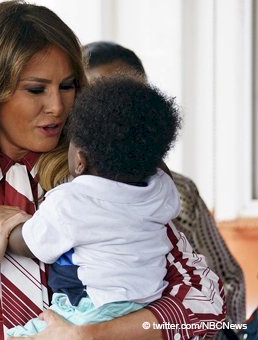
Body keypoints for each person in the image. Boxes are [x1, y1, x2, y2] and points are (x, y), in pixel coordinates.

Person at [0, 2, 225, 340]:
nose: (57, 107)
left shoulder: (106, 177)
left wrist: (93, 334)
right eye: (36, 89)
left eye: (68, 86)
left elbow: (207, 305)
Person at [84, 40, 247, 329]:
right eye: (100, 99)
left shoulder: (179, 191)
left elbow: (228, 279)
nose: (116, 114)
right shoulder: (60, 191)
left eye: (129, 99)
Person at [5, 77, 181, 336]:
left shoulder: (72, 200)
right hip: (148, 305)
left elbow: (31, 245)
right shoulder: (163, 190)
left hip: (92, 309)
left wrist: (7, 232)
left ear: (80, 161)